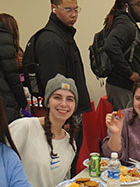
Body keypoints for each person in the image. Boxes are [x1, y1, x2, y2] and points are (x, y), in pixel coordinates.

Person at [33, 0, 91, 176]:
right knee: (61, 165)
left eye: (76, 9)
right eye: (68, 10)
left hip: (71, 113)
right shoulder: (51, 40)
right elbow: (55, 88)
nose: (74, 14)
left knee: (70, 162)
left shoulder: (64, 35)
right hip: (64, 116)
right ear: (54, 8)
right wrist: (64, 118)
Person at [9, 73, 78, 187]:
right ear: (47, 102)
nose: (63, 104)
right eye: (57, 97)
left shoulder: (70, 142)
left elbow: (62, 184)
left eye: (70, 99)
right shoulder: (25, 127)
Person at [103, 0, 140, 110]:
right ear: (126, 6)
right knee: (126, 124)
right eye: (138, 4)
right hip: (122, 86)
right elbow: (110, 46)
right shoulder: (125, 24)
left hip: (123, 87)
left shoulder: (126, 23)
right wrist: (129, 73)